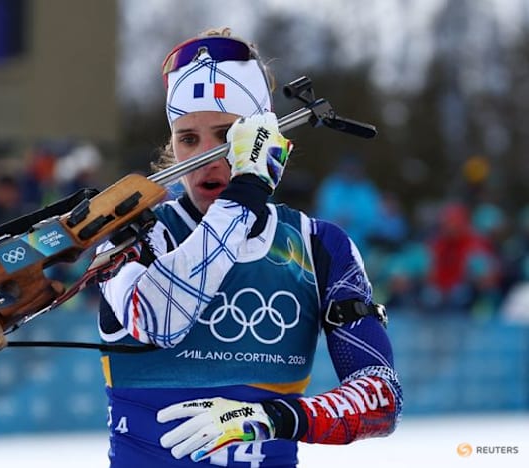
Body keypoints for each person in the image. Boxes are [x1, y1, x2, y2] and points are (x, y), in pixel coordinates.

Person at [96, 28, 402, 467]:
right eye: (188, 139)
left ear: (262, 139)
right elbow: (161, 319)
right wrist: (244, 197)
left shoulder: (318, 246)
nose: (206, 157)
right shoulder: (135, 234)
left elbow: (382, 397)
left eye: (227, 136)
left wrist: (273, 418)